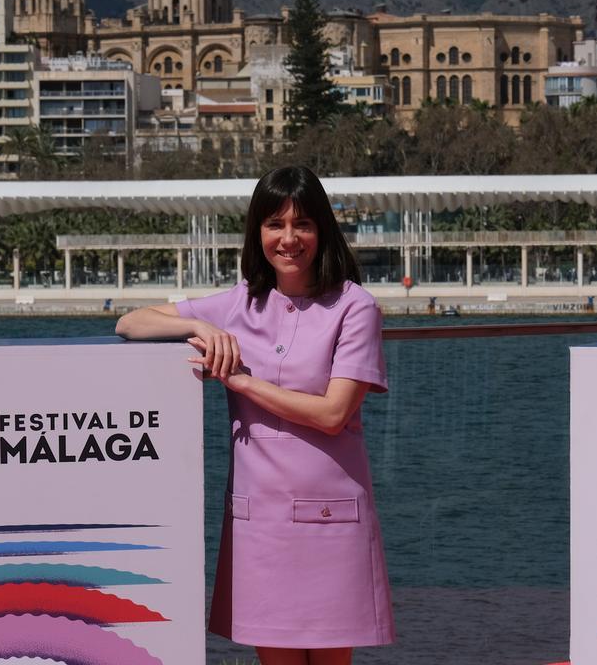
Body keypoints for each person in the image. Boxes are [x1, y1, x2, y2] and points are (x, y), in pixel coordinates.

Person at [115, 166, 393, 665]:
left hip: (332, 520)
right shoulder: (239, 304)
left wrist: (240, 380)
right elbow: (129, 321)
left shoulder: (356, 307)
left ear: (323, 230)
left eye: (303, 224)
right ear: (257, 232)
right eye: (275, 225)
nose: (289, 238)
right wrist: (200, 325)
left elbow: (333, 413)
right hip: (261, 521)